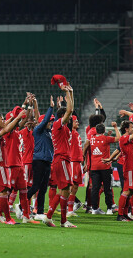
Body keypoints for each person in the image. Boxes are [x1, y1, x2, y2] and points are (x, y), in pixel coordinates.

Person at [43, 84, 77, 228]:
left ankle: (52, 217)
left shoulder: (62, 127)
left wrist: (71, 92)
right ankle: (58, 219)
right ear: (63, 117)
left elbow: (70, 110)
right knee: (65, 189)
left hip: (63, 159)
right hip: (61, 159)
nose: (71, 118)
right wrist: (69, 93)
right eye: (69, 117)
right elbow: (70, 110)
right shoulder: (58, 124)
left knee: (65, 190)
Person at [26, 96, 55, 221]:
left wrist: (59, 107)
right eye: (49, 121)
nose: (51, 122)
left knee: (43, 188)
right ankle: (22, 206)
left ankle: (40, 211)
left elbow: (56, 121)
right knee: (36, 186)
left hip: (47, 162)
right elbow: (43, 120)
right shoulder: (38, 130)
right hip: (38, 161)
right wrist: (51, 108)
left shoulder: (49, 132)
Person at [83, 121, 119, 215]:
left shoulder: (91, 139)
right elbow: (119, 138)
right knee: (108, 188)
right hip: (105, 166)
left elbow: (86, 148)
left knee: (95, 188)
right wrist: (115, 127)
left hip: (94, 168)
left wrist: (84, 161)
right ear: (104, 130)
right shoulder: (106, 138)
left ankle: (94, 209)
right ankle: (109, 209)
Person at [67, 115, 83, 217]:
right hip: (72, 161)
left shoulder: (77, 133)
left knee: (75, 187)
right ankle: (67, 210)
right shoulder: (70, 133)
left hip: (78, 162)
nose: (77, 122)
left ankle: (70, 210)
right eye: (75, 121)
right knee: (70, 187)